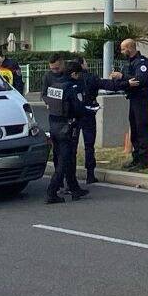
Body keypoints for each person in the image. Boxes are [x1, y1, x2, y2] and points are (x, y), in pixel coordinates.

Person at [41, 53, 87, 204]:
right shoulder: (71, 87)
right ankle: (51, 192)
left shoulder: (55, 87)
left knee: (65, 158)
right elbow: (78, 109)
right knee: (64, 161)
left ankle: (74, 189)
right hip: (66, 128)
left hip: (54, 125)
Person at [105, 37, 148, 171]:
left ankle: (144, 161)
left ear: (129, 48)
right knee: (134, 130)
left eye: (122, 49)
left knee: (141, 130)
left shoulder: (142, 62)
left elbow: (141, 80)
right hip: (132, 99)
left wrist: (122, 77)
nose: (121, 52)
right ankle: (136, 158)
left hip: (141, 100)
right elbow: (127, 80)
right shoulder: (128, 63)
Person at [69, 55, 101, 186]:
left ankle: (71, 176)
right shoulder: (91, 77)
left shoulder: (69, 79)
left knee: (72, 147)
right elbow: (104, 85)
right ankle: (90, 174)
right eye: (86, 62)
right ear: (81, 65)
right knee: (89, 145)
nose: (87, 64)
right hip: (88, 113)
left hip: (75, 115)